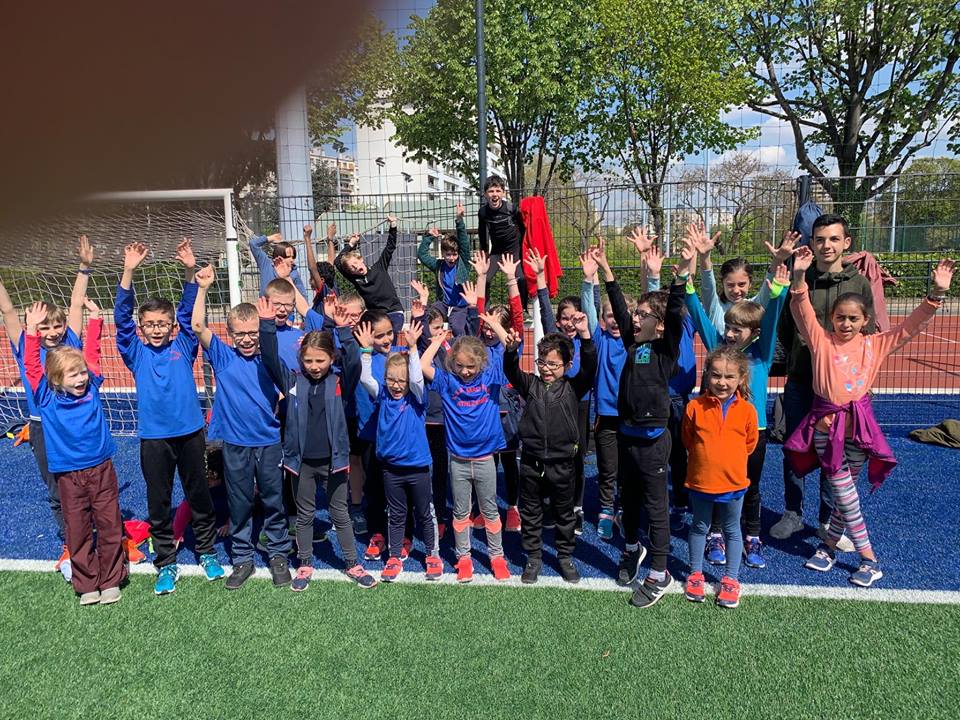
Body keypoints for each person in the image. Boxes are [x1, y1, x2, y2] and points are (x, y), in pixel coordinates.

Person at [784, 248, 954, 587]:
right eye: (840, 318)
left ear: (865, 320)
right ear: (832, 319)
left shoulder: (875, 345)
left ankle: (828, 547)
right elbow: (801, 309)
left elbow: (910, 327)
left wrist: (936, 294)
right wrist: (799, 276)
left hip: (860, 430)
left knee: (843, 496)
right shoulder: (820, 341)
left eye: (853, 318)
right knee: (844, 493)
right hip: (825, 428)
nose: (846, 324)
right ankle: (869, 559)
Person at [115, 239, 224, 595]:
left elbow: (189, 312)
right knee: (158, 502)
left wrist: (190, 271)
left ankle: (206, 551)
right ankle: (166, 562)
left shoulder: (184, 345)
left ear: (173, 326)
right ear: (142, 328)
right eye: (150, 324)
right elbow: (121, 320)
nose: (157, 329)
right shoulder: (135, 353)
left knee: (199, 495)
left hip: (191, 434)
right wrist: (128, 271)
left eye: (163, 323)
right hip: (154, 439)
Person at [683, 241, 791, 570]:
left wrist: (779, 290)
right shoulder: (719, 345)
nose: (730, 334)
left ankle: (752, 536)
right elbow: (700, 316)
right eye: (729, 327)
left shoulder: (761, 353)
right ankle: (715, 533)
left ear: (754, 333)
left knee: (750, 486)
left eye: (737, 329)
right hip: (718, 431)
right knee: (717, 484)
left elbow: (772, 319)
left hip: (754, 430)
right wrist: (687, 284)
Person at [257, 296, 378, 591]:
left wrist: (343, 330)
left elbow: (353, 363)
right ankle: (305, 562)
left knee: (340, 514)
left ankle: (352, 562)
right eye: (308, 361)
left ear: (331, 359)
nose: (314, 366)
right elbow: (270, 358)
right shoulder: (293, 382)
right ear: (301, 361)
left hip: (334, 462)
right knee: (305, 515)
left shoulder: (339, 383)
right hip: (301, 465)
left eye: (320, 360)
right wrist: (267, 326)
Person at [772, 214, 875, 546]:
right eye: (819, 239)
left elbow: (868, 335)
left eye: (833, 239)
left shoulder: (859, 284)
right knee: (794, 447)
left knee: (835, 452)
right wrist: (792, 360)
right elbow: (786, 327)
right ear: (812, 243)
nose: (826, 245)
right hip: (802, 380)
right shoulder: (800, 277)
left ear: (846, 243)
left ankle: (826, 519)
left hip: (839, 392)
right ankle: (792, 512)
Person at [595, 241, 685, 609]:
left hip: (653, 442)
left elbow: (676, 313)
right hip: (626, 437)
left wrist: (681, 276)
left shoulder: (665, 349)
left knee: (656, 507)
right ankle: (632, 549)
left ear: (659, 325)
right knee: (628, 502)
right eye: (637, 313)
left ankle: (660, 572)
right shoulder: (634, 345)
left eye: (643, 314)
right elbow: (619, 307)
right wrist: (607, 270)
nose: (635, 318)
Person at [191, 265, 293, 590]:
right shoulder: (223, 357)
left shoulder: (270, 360)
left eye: (253, 333)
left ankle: (278, 554)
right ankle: (243, 558)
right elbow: (197, 325)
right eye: (240, 334)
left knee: (274, 500)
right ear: (231, 334)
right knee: (239, 502)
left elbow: (282, 375)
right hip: (235, 443)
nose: (247, 339)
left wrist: (267, 326)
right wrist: (203, 288)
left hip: (269, 442)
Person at [0, 235, 93, 581]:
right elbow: (8, 311)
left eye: (57, 325)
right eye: (45, 326)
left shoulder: (71, 342)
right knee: (56, 489)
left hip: (74, 424)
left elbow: (76, 304)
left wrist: (84, 267)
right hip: (42, 425)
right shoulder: (26, 346)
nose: (52, 331)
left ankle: (92, 535)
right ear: (34, 329)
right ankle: (71, 543)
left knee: (86, 484)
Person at [23, 299, 126, 605]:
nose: (81, 378)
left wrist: (95, 320)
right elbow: (31, 365)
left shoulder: (92, 386)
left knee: (109, 524)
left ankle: (111, 579)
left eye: (82, 373)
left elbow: (92, 353)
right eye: (73, 375)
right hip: (68, 474)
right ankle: (87, 583)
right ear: (56, 380)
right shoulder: (46, 396)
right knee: (78, 529)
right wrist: (31, 331)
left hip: (101, 468)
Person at [487, 308, 596, 584]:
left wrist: (585, 336)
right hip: (532, 463)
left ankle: (565, 556)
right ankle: (533, 557)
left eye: (553, 364)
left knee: (564, 513)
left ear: (567, 365)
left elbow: (590, 368)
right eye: (542, 362)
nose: (546, 369)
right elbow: (511, 370)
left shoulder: (573, 387)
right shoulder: (530, 385)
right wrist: (511, 351)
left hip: (563, 464)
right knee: (531, 513)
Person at [420, 331, 511, 583]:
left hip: (485, 459)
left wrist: (497, 326)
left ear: (481, 362)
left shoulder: (491, 378)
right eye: (459, 365)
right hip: (458, 461)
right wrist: (436, 342)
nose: (465, 371)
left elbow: (511, 349)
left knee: (490, 510)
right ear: (452, 363)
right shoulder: (448, 381)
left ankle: (497, 556)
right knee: (461, 513)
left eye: (471, 366)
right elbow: (423, 365)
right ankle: (463, 557)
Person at [357, 320, 442, 582]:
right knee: (395, 515)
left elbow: (416, 378)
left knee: (424, 513)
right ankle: (394, 556)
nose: (396, 385)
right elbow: (365, 378)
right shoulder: (383, 394)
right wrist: (366, 351)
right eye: (391, 380)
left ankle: (432, 555)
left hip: (417, 468)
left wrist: (413, 348)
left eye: (400, 381)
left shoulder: (417, 398)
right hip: (391, 470)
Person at [682, 346, 759, 609]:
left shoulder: (747, 411)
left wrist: (729, 463)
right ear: (707, 375)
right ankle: (695, 574)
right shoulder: (694, 407)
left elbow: (750, 444)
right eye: (716, 375)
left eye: (729, 377)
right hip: (701, 482)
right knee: (699, 526)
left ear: (741, 379)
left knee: (732, 530)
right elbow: (688, 440)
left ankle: (731, 579)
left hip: (734, 484)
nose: (722, 382)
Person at [527, 247, 592, 535]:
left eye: (574, 317)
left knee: (576, 459)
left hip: (579, 404)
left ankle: (575, 508)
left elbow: (592, 305)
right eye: (565, 318)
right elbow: (544, 308)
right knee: (549, 456)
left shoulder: (587, 337)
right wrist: (541, 277)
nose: (569, 323)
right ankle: (549, 504)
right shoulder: (555, 338)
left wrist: (591, 278)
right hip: (552, 404)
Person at [470, 252, 524, 533]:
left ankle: (513, 508)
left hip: (508, 407)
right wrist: (481, 276)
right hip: (484, 407)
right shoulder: (479, 343)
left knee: (510, 461)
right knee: (486, 463)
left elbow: (517, 314)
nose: (489, 330)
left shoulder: (512, 342)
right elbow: (479, 308)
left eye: (495, 326)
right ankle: (485, 509)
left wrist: (511, 279)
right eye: (487, 326)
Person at [334, 216, 404, 334]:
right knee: (369, 335)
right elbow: (337, 261)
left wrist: (393, 226)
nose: (356, 267)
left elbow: (390, 247)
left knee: (390, 336)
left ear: (361, 259)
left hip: (393, 312)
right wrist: (351, 244)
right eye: (352, 268)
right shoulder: (356, 279)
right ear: (351, 272)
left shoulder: (379, 267)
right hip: (375, 315)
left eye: (356, 263)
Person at [417, 201, 473, 337]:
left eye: (454, 254)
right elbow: (422, 255)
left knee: (458, 328)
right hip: (443, 305)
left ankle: (459, 347)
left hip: (460, 307)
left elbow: (464, 243)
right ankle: (430, 345)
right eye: (448, 255)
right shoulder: (439, 266)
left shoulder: (463, 264)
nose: (451, 258)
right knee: (429, 318)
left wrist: (459, 220)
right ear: (443, 254)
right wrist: (429, 237)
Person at [478, 175, 527, 307]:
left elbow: (523, 229)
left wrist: (524, 250)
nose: (494, 194)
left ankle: (523, 309)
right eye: (491, 191)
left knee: (521, 279)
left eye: (498, 191)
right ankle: (483, 309)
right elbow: (482, 233)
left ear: (503, 193)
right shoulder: (483, 212)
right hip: (497, 252)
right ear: (485, 194)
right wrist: (484, 252)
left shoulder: (512, 209)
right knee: (485, 279)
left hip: (514, 251)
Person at [249, 230, 309, 298]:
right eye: (288, 257)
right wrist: (270, 238)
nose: (291, 260)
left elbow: (303, 296)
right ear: (278, 255)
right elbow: (253, 244)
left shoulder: (294, 273)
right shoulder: (266, 264)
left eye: (293, 257)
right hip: (265, 304)